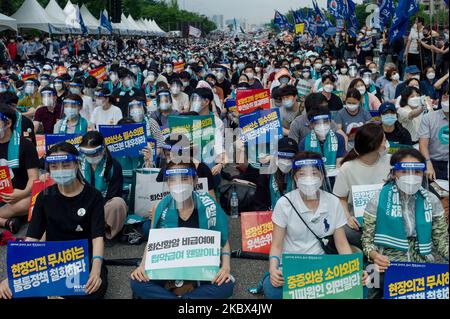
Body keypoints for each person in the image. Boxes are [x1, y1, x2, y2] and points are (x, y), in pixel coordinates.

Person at [0, 142, 108, 299]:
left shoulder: (94, 196)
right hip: (51, 262)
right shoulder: (44, 197)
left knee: (92, 291)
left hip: (84, 262)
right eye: (54, 167)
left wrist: (96, 269)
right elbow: (32, 238)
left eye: (66, 165)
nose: (60, 170)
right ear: (49, 169)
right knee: (8, 292)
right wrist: (13, 276)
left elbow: (98, 238)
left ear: (77, 164)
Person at [130, 161, 234, 299]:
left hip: (201, 269)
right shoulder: (160, 207)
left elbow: (223, 240)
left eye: (184, 179)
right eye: (173, 180)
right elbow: (153, 242)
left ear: (194, 180)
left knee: (226, 285)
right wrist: (142, 265)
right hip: (168, 269)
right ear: (168, 183)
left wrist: (226, 267)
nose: (178, 184)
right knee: (136, 281)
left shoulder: (209, 205)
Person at [262, 152, 353, 299]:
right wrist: (273, 269)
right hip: (292, 267)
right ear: (295, 178)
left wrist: (352, 271)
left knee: (363, 286)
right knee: (272, 288)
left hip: (323, 268)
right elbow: (277, 245)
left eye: (314, 173)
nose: (309, 179)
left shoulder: (333, 202)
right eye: (302, 174)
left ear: (322, 176)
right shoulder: (284, 203)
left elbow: (342, 243)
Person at [362, 148, 448, 298]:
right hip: (386, 260)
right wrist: (375, 256)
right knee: (369, 280)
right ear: (394, 173)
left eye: (416, 172)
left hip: (423, 258)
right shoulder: (378, 200)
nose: (411, 177)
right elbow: (367, 241)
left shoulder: (431, 200)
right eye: (405, 171)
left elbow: (442, 241)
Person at [333, 123, 391, 248]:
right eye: (384, 140)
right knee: (343, 230)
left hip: (387, 219)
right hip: (360, 223)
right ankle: (373, 248)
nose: (386, 142)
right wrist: (347, 217)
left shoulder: (390, 162)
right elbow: (340, 198)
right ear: (373, 145)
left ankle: (374, 248)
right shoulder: (347, 168)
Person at [78, 131, 127, 240]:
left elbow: (114, 195)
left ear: (103, 149)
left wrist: (94, 210)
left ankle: (101, 232)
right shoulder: (77, 164)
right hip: (80, 207)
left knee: (117, 204)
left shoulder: (114, 166)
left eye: (94, 153)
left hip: (103, 207)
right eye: (87, 153)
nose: (90, 156)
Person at [0, 104, 39, 233]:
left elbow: (34, 177)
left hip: (21, 196)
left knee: (36, 200)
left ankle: (10, 217)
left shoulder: (25, 145)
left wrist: (22, 193)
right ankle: (6, 221)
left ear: (8, 123)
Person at [254, 137, 298, 211]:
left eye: (290, 158)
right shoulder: (266, 174)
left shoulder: (299, 175)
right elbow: (260, 204)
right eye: (283, 157)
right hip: (270, 217)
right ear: (275, 157)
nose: (286, 161)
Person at [299, 106, 346, 172]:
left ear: (330, 122)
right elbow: (305, 168)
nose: (322, 126)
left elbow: (339, 164)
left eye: (325, 122)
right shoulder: (304, 143)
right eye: (317, 123)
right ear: (311, 125)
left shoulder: (339, 139)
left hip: (335, 177)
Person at [418, 89, 449, 181]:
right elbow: (423, 145)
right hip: (433, 161)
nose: (447, 101)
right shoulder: (429, 118)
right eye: (444, 97)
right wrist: (427, 162)